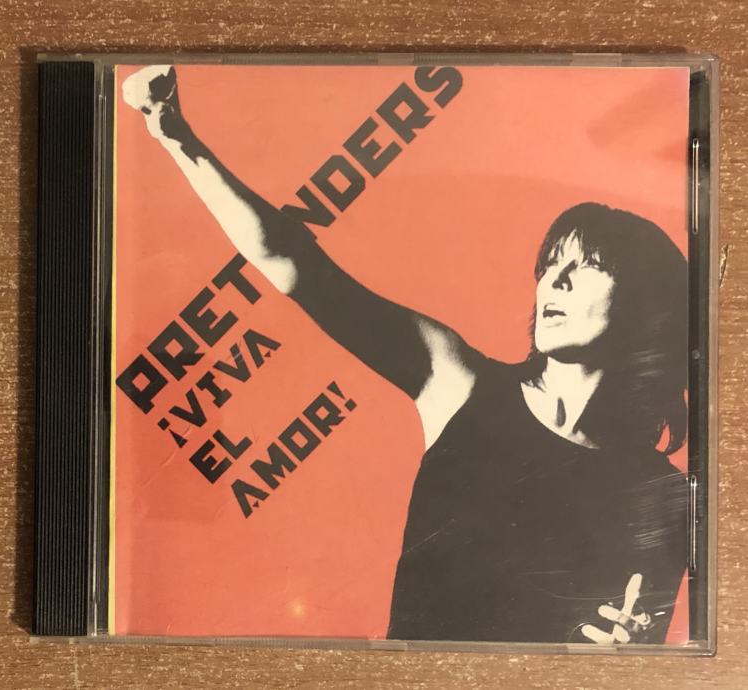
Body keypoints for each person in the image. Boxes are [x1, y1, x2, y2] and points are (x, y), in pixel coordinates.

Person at [122, 65, 689, 645]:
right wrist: (177, 136)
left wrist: (622, 666)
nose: (555, 281)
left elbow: (642, 657)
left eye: (587, 266)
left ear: (646, 303)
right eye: (551, 264)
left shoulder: (665, 496)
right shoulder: (459, 383)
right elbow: (294, 263)